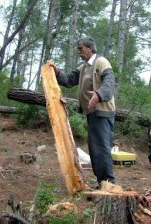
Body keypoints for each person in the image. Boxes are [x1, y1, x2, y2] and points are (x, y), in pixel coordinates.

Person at [50, 36, 116, 188]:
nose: (79, 51)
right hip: (92, 112)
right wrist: (57, 72)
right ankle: (102, 182)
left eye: (81, 48)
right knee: (94, 148)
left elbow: (110, 82)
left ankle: (109, 183)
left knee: (101, 147)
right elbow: (68, 80)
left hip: (102, 111)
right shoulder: (84, 66)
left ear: (90, 48)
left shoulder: (101, 62)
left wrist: (99, 95)